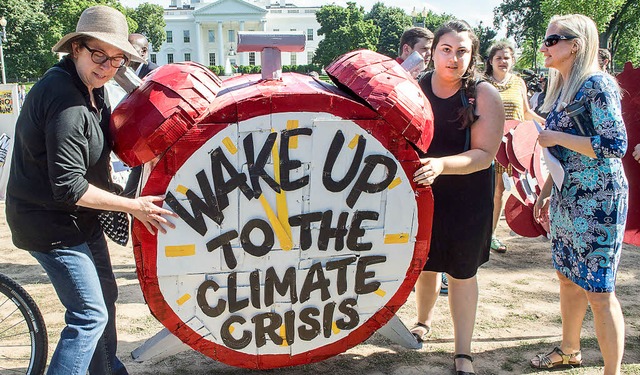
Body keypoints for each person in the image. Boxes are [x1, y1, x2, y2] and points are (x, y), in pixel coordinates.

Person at [5, 6, 177, 374]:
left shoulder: (92, 89)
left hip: (81, 219)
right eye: (99, 54)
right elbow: (68, 186)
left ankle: (107, 370)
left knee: (107, 298)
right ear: (77, 48)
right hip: (50, 224)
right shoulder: (64, 98)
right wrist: (132, 206)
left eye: (117, 59)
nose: (107, 66)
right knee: (88, 315)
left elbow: (107, 146)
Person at [531, 14, 628, 374]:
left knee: (600, 293)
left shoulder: (597, 84)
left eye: (551, 39)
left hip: (599, 199)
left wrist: (556, 137)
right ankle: (570, 351)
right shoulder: (562, 87)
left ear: (575, 45)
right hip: (567, 196)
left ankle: (611, 371)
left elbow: (615, 144)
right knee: (568, 277)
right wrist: (545, 191)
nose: (544, 46)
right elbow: (562, 154)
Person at [411, 20, 504, 375]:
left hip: (468, 194)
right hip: (424, 190)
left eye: (462, 51)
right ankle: (422, 322)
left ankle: (462, 352)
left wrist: (440, 166)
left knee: (462, 272)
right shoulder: (415, 87)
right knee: (426, 264)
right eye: (446, 50)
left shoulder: (483, 94)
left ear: (473, 55)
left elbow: (485, 155)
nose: (453, 58)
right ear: (433, 52)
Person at [484, 42, 546, 253]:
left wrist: (544, 124)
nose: (503, 61)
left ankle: (491, 235)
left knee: (501, 190)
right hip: (487, 144)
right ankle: (479, 234)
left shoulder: (519, 83)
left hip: (511, 147)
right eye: (499, 57)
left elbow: (526, 112)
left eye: (507, 58)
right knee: (487, 189)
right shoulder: (482, 83)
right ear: (491, 61)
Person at [122, 33, 160, 198]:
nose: (125, 53)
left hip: (150, 143)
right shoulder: (123, 72)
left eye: (130, 49)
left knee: (133, 191)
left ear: (144, 52)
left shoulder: (154, 73)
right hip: (137, 142)